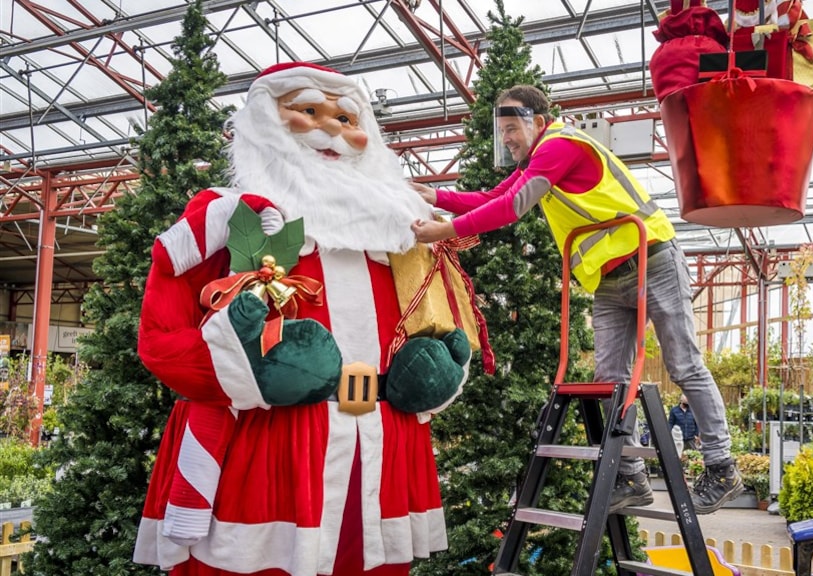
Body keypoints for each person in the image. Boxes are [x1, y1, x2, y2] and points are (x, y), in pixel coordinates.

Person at [133, 62, 475, 576]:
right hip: (273, 446)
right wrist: (251, 368)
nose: (331, 128)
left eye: (346, 117)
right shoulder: (230, 215)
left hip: (382, 448)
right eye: (309, 110)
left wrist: (439, 374)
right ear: (264, 123)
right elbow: (162, 336)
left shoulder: (404, 229)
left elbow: (446, 318)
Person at [410, 84, 742, 514]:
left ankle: (722, 467)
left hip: (652, 259)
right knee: (609, 378)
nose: (506, 138)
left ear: (537, 121)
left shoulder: (560, 145)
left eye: (511, 128)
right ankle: (631, 476)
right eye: (502, 131)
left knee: (683, 364)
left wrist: (446, 230)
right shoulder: (538, 160)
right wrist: (436, 196)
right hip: (608, 278)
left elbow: (512, 206)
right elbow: (494, 197)